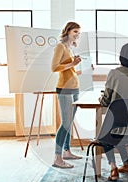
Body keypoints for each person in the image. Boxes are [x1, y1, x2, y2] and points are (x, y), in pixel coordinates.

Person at [99, 43, 128, 181]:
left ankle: (113, 168)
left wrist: (101, 98)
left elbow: (106, 101)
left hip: (117, 124)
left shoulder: (115, 73)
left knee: (104, 136)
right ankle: (126, 164)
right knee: (118, 131)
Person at [51, 22, 83, 169]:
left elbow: (67, 70)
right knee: (65, 123)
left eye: (79, 32)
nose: (77, 34)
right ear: (68, 31)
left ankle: (67, 151)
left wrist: (77, 71)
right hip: (64, 89)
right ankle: (58, 158)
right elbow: (54, 67)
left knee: (69, 123)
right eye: (75, 31)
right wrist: (73, 64)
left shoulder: (70, 48)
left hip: (74, 88)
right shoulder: (60, 46)